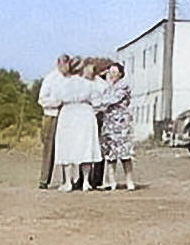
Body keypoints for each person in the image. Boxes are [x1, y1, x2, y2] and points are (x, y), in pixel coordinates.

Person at [52, 57, 103, 192]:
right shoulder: (88, 84)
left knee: (67, 146)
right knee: (84, 146)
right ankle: (86, 181)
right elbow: (98, 101)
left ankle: (68, 182)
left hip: (68, 114)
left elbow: (56, 100)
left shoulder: (62, 84)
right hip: (85, 114)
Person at [94, 62, 136, 190]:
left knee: (125, 154)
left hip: (121, 123)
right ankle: (111, 181)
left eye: (114, 72)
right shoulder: (107, 87)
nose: (111, 75)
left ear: (120, 74)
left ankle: (129, 180)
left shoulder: (123, 86)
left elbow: (112, 100)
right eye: (110, 72)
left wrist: (96, 104)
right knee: (110, 154)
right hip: (109, 123)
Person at [37, 54, 70, 189]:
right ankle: (44, 179)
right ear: (58, 63)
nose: (66, 67)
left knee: (65, 148)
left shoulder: (70, 79)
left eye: (68, 65)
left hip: (66, 117)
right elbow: (42, 99)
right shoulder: (50, 78)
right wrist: (57, 103)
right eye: (64, 64)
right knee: (49, 148)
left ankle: (66, 180)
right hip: (51, 115)